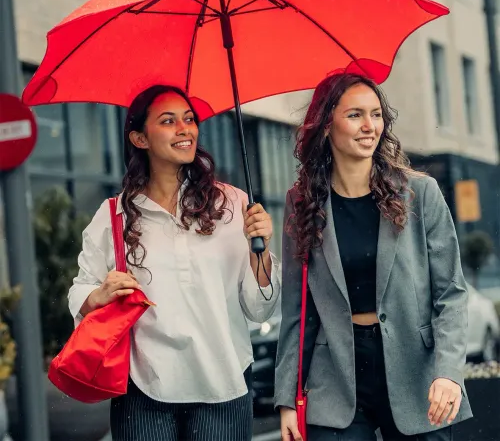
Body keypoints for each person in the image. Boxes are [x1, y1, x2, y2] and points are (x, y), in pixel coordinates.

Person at [68, 85, 281, 441]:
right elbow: (81, 288)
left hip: (224, 385)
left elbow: (259, 310)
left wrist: (259, 250)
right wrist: (98, 295)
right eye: (169, 121)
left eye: (189, 119)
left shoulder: (232, 205)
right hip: (144, 388)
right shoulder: (113, 215)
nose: (185, 129)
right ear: (139, 138)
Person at [274, 73, 472, 441]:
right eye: (355, 115)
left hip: (417, 374)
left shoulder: (420, 193)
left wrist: (448, 372)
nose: (370, 126)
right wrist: (287, 396)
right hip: (335, 377)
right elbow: (297, 312)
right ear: (326, 123)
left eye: (376, 114)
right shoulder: (302, 203)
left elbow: (452, 293)